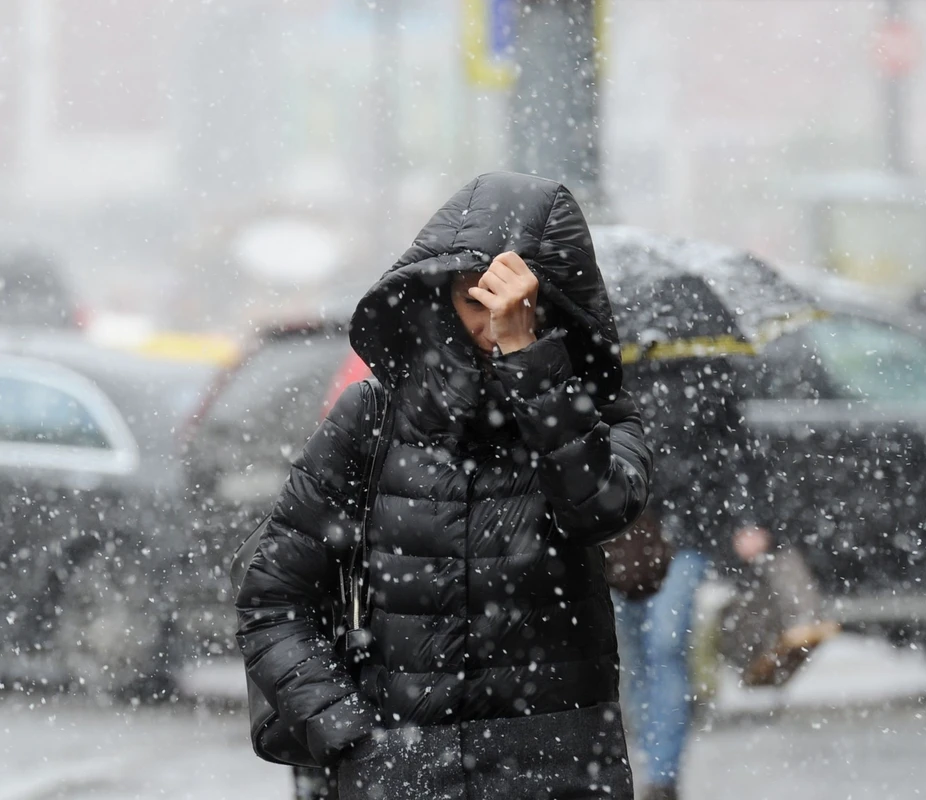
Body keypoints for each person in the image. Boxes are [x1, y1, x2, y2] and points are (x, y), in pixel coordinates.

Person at [236, 172, 652, 799]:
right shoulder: (371, 419)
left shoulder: (596, 418)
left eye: (516, 304)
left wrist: (529, 362)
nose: (492, 324)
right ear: (438, 299)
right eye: (475, 300)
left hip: (559, 772)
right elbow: (272, 597)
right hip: (402, 770)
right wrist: (347, 733)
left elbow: (598, 510)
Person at [613, 353, 833, 800]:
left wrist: (749, 517)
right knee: (635, 652)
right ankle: (646, 761)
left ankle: (662, 776)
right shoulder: (605, 365)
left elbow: (739, 446)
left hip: (684, 531)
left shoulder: (703, 370)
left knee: (665, 645)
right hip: (618, 532)